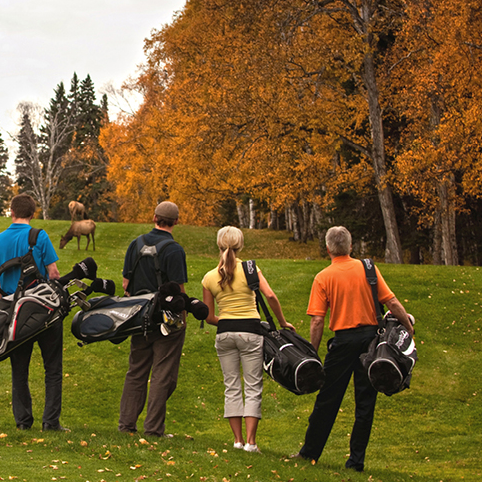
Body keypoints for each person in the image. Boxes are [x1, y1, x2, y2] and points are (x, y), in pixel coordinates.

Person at [292, 226, 414, 471]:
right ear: (350, 246)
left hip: (343, 343)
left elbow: (317, 320)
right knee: (365, 403)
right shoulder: (368, 268)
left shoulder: (323, 277)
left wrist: (312, 353)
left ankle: (309, 453)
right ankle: (356, 461)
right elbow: (391, 301)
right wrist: (407, 327)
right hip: (371, 343)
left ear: (328, 249)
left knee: (327, 399)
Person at [201, 226, 294, 453]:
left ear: (219, 245)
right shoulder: (251, 270)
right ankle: (251, 443)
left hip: (224, 333)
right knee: (253, 385)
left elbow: (209, 316)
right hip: (250, 331)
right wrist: (282, 323)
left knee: (231, 385)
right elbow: (270, 295)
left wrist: (227, 319)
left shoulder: (209, 278)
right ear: (240, 245)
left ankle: (237, 440)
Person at [0, 193, 65, 431]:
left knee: (19, 370)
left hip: (14, 313)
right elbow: (53, 274)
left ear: (11, 212)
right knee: (52, 368)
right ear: (33, 214)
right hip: (44, 312)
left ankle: (23, 422)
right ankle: (50, 422)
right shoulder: (38, 236)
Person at [118, 201, 188, 437]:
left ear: (154, 217)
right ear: (176, 221)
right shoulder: (174, 250)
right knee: (162, 373)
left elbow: (126, 285)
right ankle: (154, 429)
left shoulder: (135, 244)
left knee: (136, 370)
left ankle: (126, 425)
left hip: (138, 317)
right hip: (167, 319)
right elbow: (178, 289)